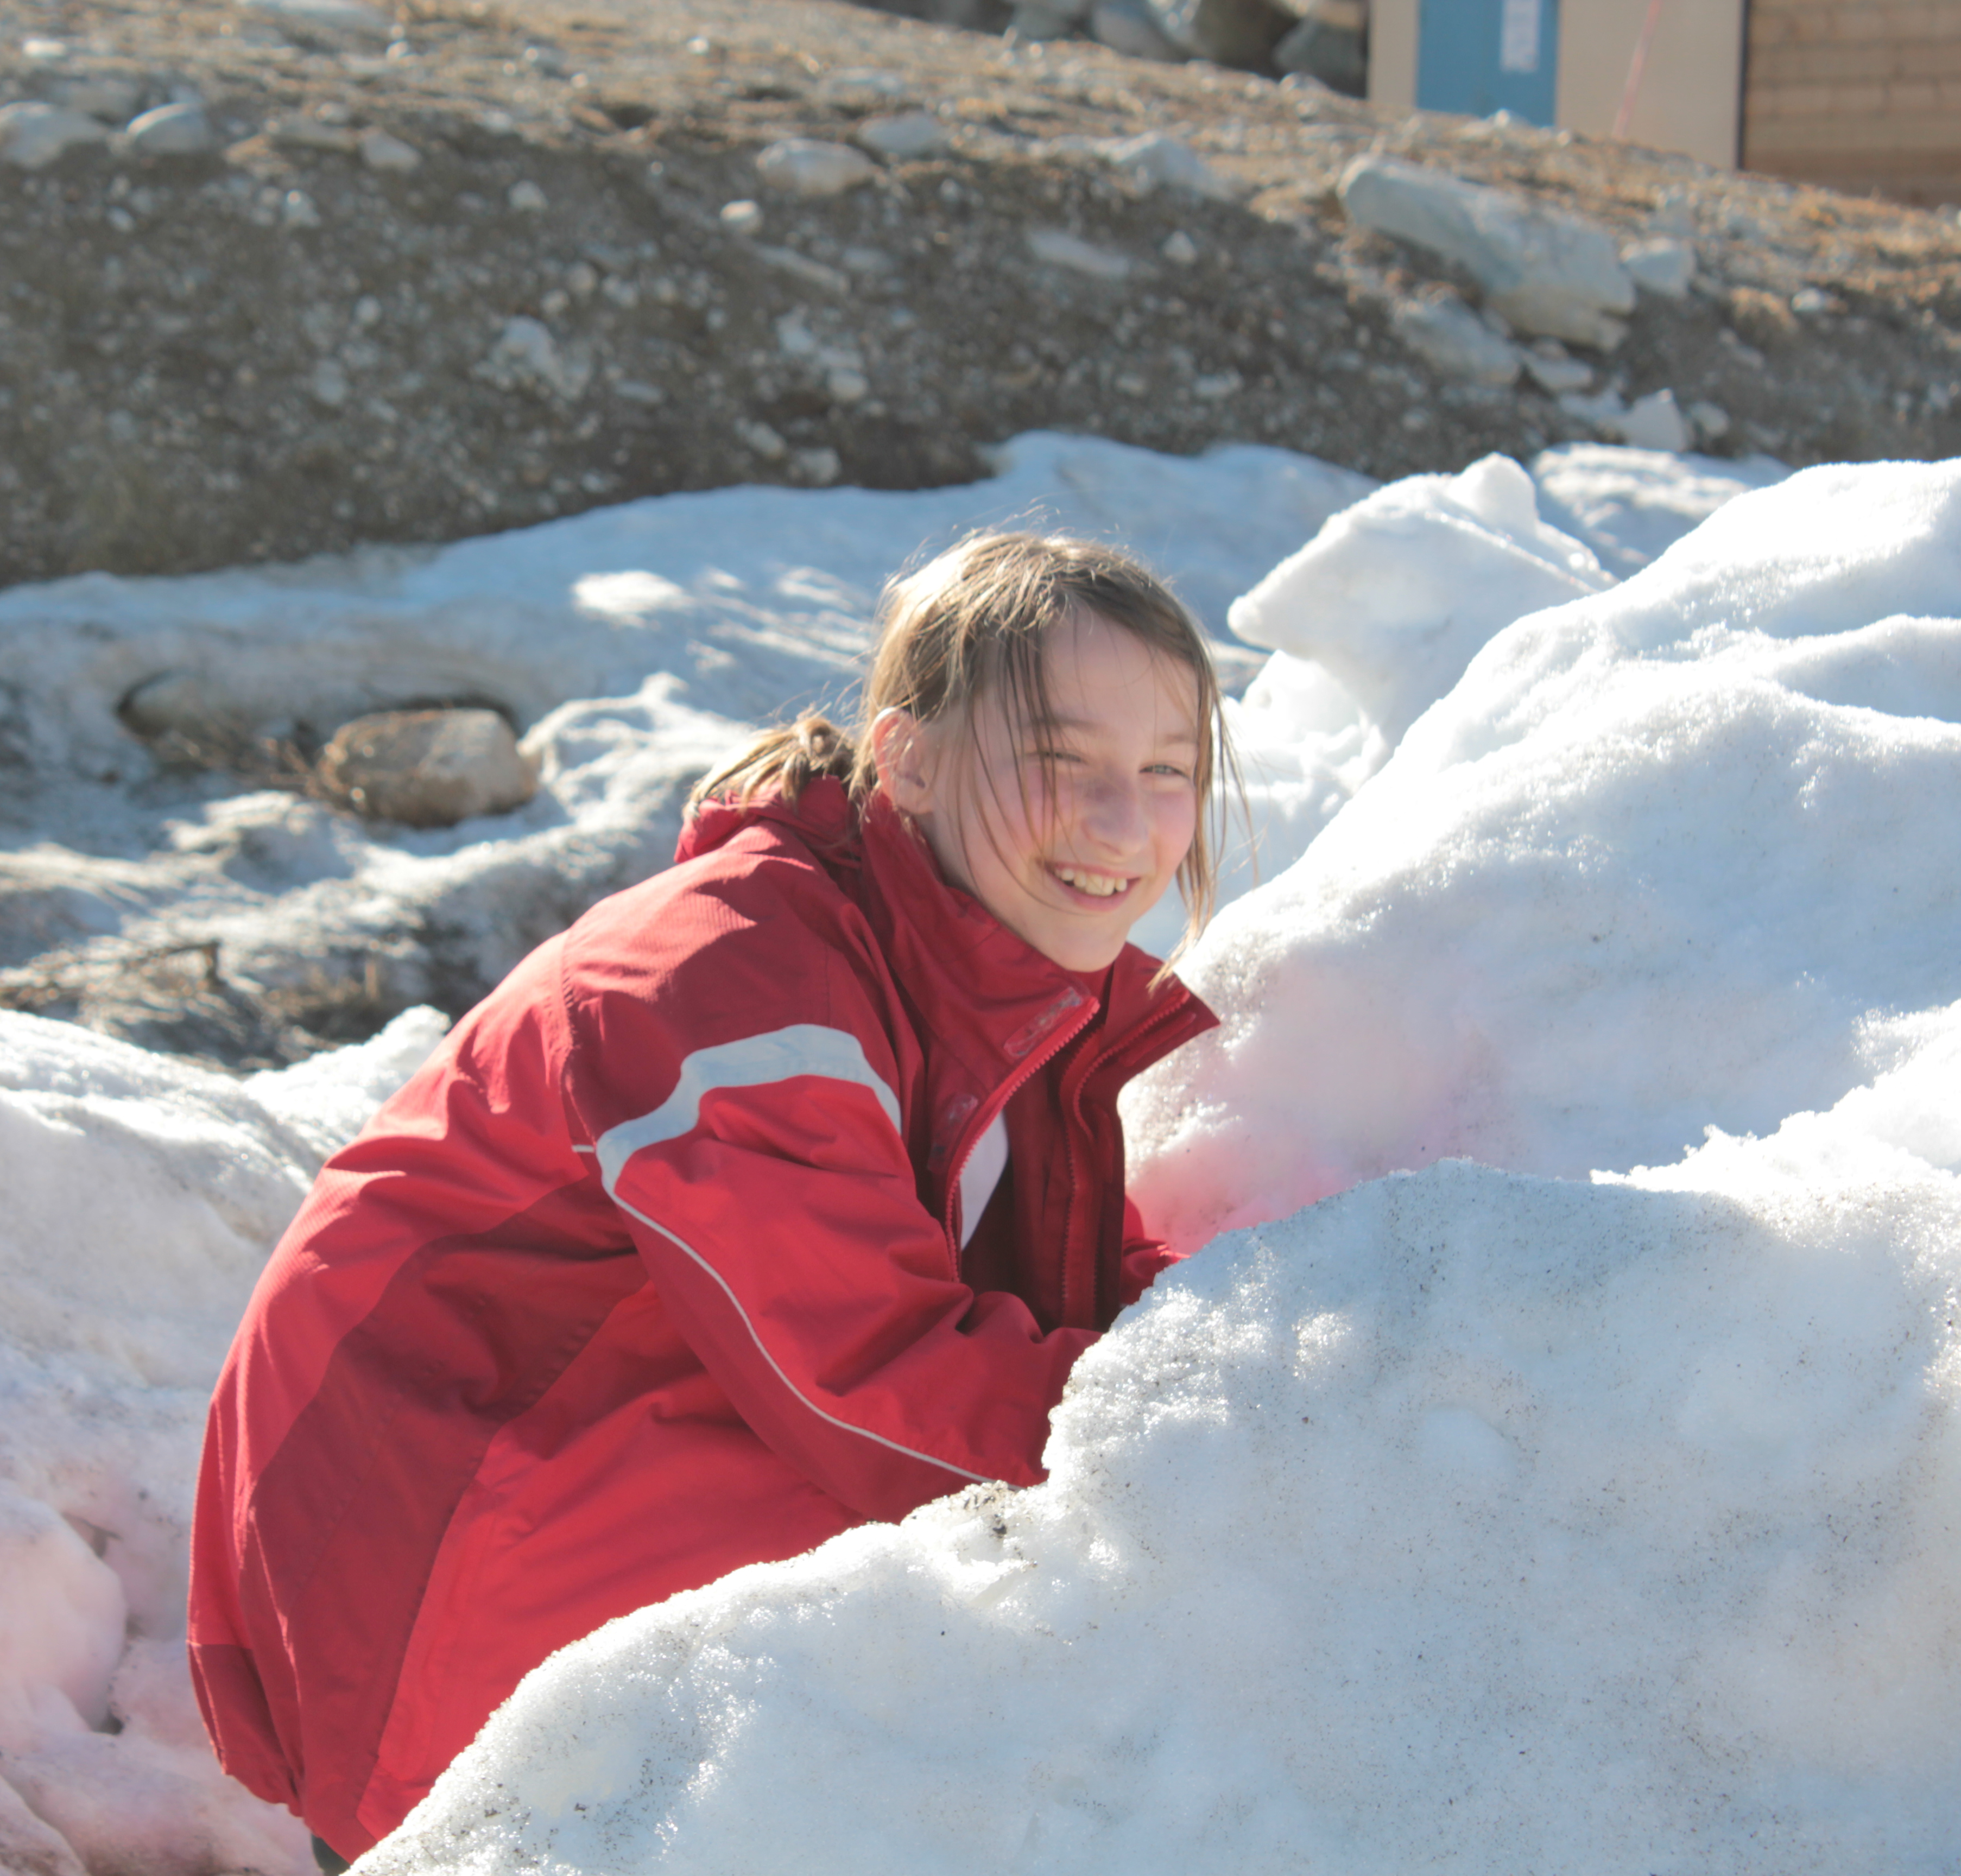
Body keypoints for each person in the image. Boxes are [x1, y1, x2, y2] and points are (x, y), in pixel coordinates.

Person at [188, 530, 1235, 1866]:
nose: (1125, 824)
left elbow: (1062, 1281)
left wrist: (1268, 1346)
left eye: (1167, 772)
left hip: (587, 1498)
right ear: (909, 759)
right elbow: (871, 1380)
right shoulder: (732, 980)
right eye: (1058, 758)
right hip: (440, 1562)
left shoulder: (999, 980)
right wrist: (1227, 1451)